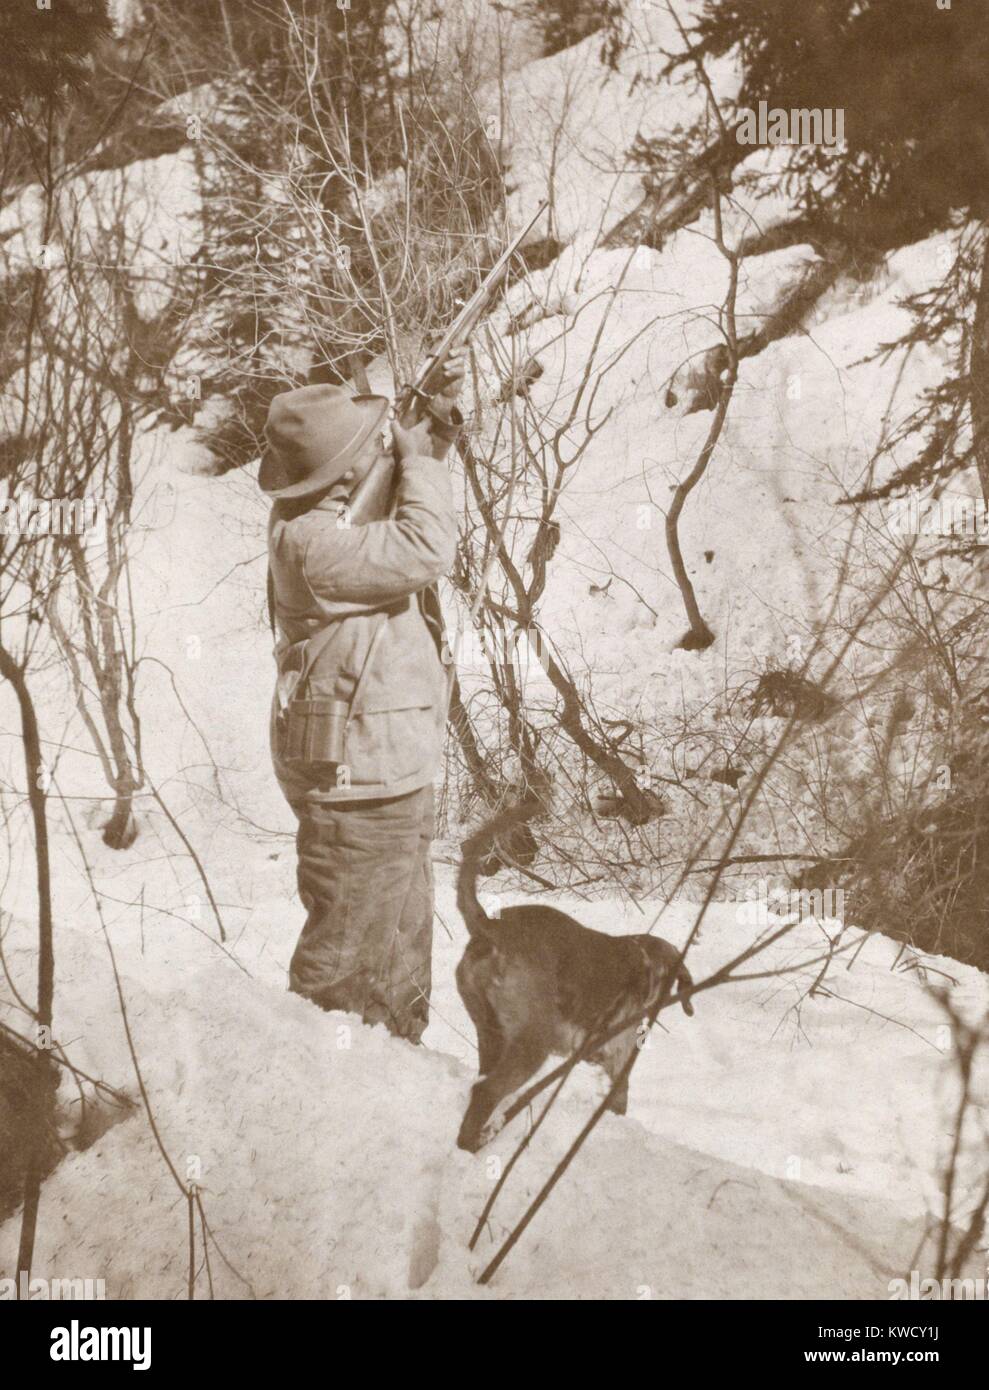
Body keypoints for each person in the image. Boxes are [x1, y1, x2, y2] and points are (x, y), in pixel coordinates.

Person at [259, 352, 465, 1042]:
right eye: (367, 445)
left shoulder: (324, 515)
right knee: (341, 971)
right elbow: (426, 544)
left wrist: (427, 429)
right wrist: (420, 465)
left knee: (398, 964)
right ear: (342, 469)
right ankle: (317, 1103)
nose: (380, 445)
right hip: (357, 782)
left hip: (387, 770)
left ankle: (392, 1101)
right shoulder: (313, 544)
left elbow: (386, 509)